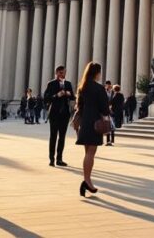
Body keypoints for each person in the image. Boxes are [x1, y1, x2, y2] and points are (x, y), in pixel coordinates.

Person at [75, 62, 109, 197]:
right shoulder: (98, 88)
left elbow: (79, 106)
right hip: (95, 122)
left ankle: (86, 180)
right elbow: (105, 108)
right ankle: (87, 181)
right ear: (97, 73)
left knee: (87, 152)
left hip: (85, 121)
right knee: (91, 152)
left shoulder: (82, 87)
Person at [43, 66, 74, 166]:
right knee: (53, 136)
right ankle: (51, 159)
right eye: (60, 73)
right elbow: (46, 98)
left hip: (65, 114)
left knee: (62, 137)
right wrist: (57, 95)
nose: (62, 74)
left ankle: (59, 159)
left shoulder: (68, 84)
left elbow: (73, 96)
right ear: (56, 73)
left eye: (64, 72)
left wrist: (68, 94)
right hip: (54, 113)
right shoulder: (51, 84)